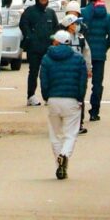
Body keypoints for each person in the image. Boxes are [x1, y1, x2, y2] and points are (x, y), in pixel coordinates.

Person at [39, 28, 88, 179]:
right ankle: (64, 155)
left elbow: (43, 81)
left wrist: (47, 97)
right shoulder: (78, 58)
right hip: (72, 99)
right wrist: (80, 98)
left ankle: (59, 162)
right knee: (70, 134)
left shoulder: (47, 58)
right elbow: (83, 81)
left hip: (53, 99)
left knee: (55, 135)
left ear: (56, 42)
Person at [80, 0, 110, 122]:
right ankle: (94, 112)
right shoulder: (107, 16)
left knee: (82, 82)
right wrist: (104, 47)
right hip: (99, 54)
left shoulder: (83, 13)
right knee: (97, 84)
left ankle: (80, 112)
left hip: (84, 53)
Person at [19, 0, 59, 106]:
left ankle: (48, 96)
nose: (43, 0)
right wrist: (29, 37)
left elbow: (56, 28)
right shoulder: (30, 11)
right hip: (34, 49)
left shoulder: (51, 13)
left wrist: (54, 41)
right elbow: (23, 25)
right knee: (33, 72)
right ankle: (31, 96)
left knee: (47, 73)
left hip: (48, 49)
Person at [60, 8, 92, 133]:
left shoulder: (81, 38)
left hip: (79, 72)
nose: (78, 26)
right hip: (65, 72)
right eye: (75, 23)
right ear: (69, 25)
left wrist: (88, 69)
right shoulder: (62, 39)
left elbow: (87, 53)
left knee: (79, 98)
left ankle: (79, 124)